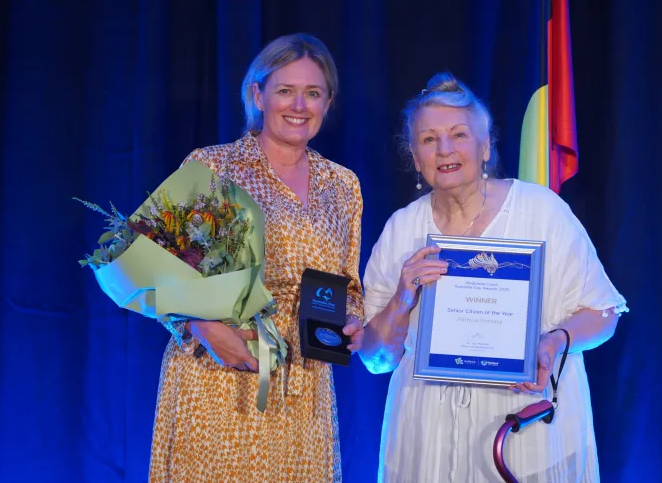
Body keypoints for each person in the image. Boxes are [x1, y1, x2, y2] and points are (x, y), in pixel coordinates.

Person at [359, 72, 628, 483]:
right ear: (414, 156)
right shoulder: (401, 229)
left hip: (525, 438)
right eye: (429, 139)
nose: (445, 150)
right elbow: (376, 360)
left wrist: (555, 342)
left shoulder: (542, 212)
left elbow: (603, 314)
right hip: (427, 444)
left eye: (459, 135)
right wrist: (401, 299)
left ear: (485, 146)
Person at [149, 33, 365, 483]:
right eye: (285, 90)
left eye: (313, 93)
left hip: (304, 384)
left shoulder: (343, 185)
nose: (299, 105)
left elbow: (348, 285)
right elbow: (154, 271)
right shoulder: (214, 167)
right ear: (258, 94)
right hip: (220, 376)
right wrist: (203, 327)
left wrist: (350, 322)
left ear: (328, 102)